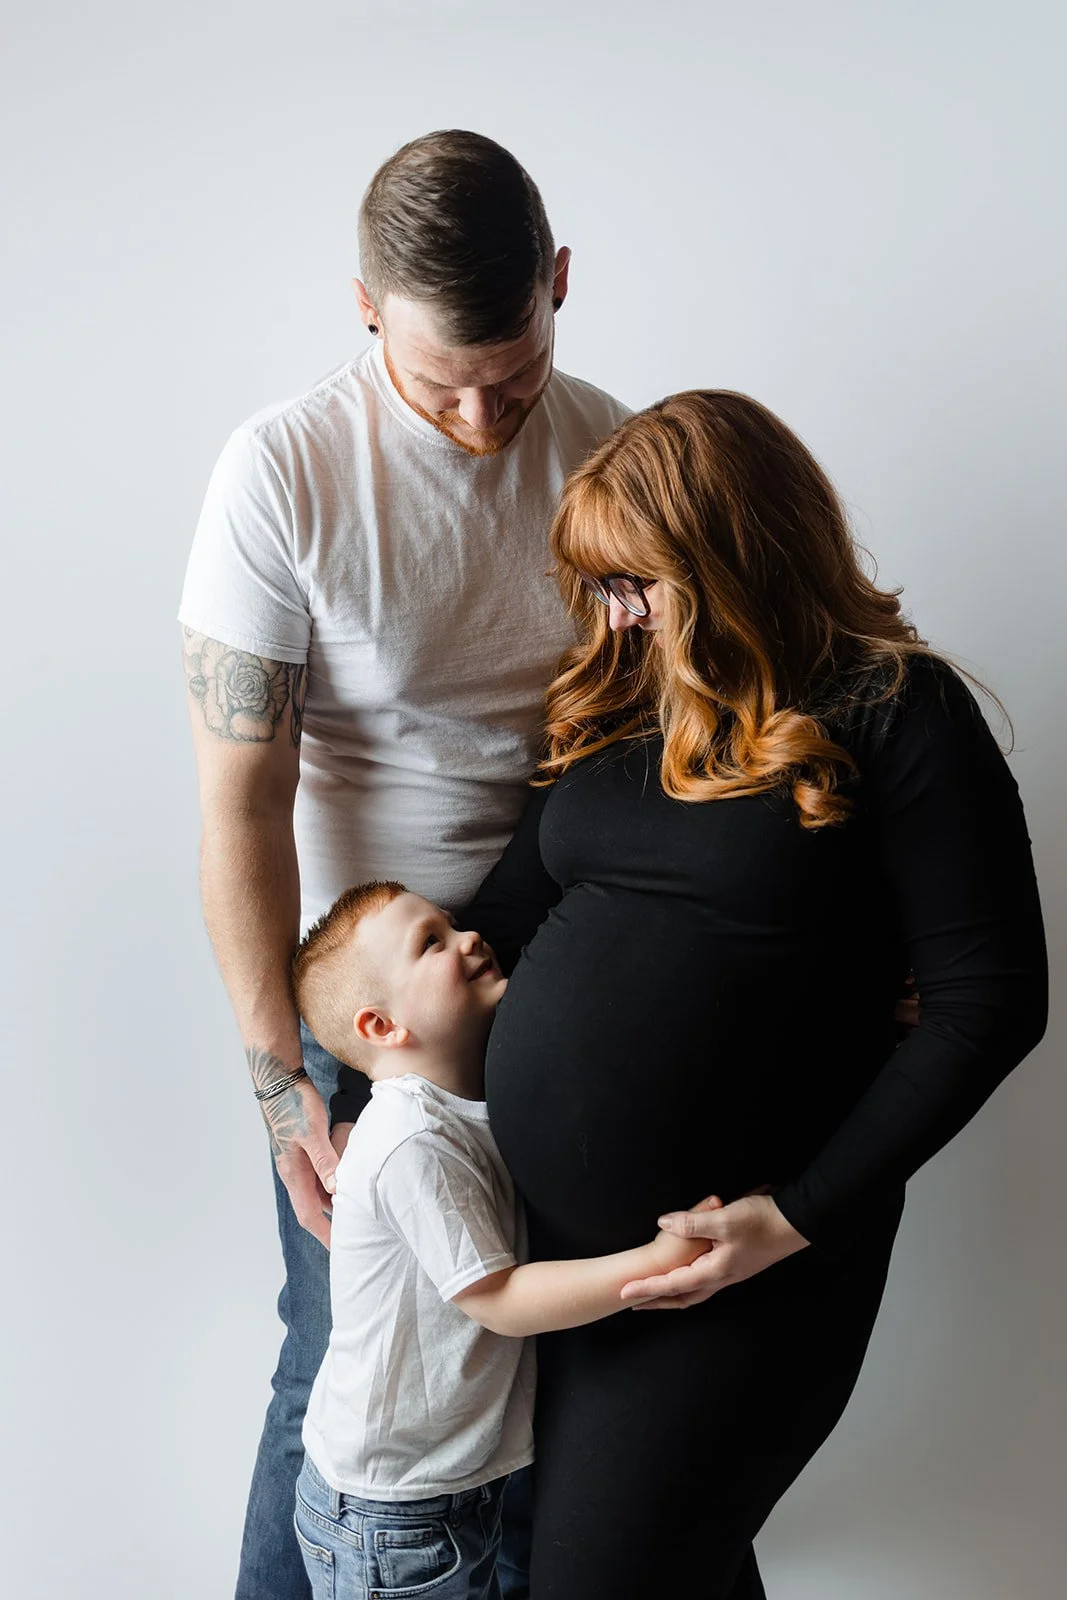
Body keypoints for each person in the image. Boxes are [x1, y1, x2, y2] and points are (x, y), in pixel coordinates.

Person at [463, 390, 1048, 1599]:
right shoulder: (618, 706)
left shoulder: (894, 708)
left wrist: (787, 1219)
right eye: (602, 587)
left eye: (639, 584)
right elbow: (503, 923)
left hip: (743, 1266)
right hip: (558, 1265)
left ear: (732, 560)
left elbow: (991, 1002)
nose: (617, 618)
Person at [179, 129, 628, 1599]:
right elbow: (240, 802)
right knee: (341, 1364)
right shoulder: (282, 472)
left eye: (515, 371)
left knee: (545, 1366)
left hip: (566, 968)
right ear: (365, 307)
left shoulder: (614, 452)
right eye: (442, 386)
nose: (484, 416)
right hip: (379, 1010)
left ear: (558, 283)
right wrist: (280, 1084)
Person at [287, 880, 710, 1599]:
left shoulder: (462, 1107)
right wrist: (655, 1264)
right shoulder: (410, 1139)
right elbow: (499, 1299)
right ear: (381, 1026)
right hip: (393, 1513)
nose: (468, 938)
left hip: (438, 1492)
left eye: (451, 924)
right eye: (432, 943)